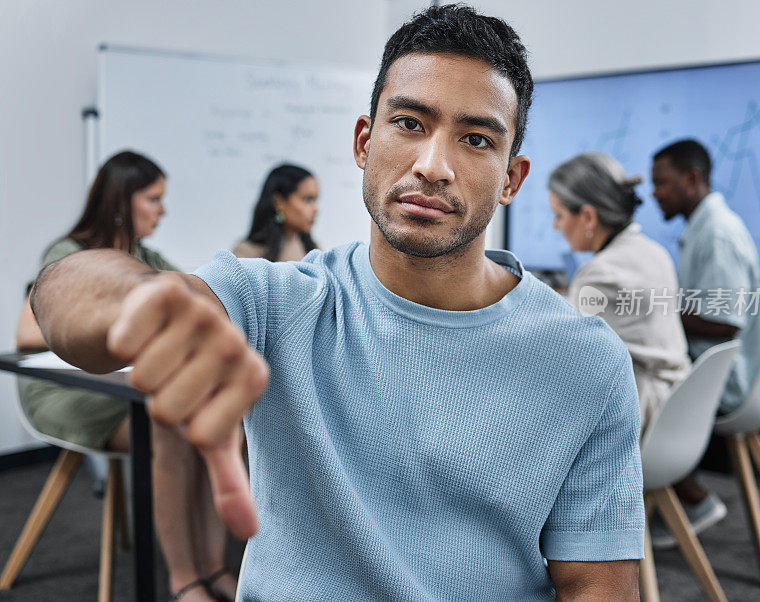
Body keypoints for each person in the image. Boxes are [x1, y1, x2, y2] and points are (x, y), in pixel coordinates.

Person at [30, 6, 644, 600]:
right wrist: (142, 298)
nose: (433, 166)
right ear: (363, 141)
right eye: (409, 123)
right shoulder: (275, 303)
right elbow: (62, 295)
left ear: (511, 178)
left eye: (477, 139)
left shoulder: (584, 361)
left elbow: (596, 587)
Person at [16, 151, 237, 602]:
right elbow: (25, 334)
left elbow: (194, 301)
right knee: (170, 427)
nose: (163, 210)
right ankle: (184, 580)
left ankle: (215, 569)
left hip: (124, 389)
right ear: (122, 200)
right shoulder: (67, 255)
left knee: (212, 423)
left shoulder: (146, 256)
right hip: (67, 395)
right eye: (153, 199)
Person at [649, 138, 760, 546]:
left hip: (736, 382)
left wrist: (660, 313)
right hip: (743, 372)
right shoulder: (705, 226)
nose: (654, 194)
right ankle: (678, 500)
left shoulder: (716, 235)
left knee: (638, 389)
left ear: (692, 179)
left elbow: (725, 323)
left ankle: (692, 501)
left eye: (662, 184)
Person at [549, 152, 691, 433]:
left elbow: (564, 353)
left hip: (643, 412)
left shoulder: (602, 272)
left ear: (588, 217)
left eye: (559, 215)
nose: (556, 226)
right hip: (676, 408)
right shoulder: (653, 252)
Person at [232, 164, 319, 261]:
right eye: (307, 199)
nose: (316, 209)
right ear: (279, 203)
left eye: (315, 200)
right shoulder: (246, 254)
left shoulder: (314, 251)